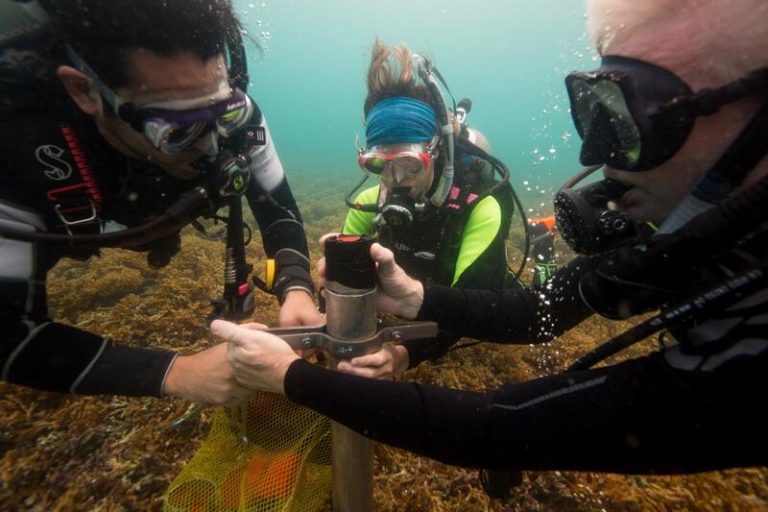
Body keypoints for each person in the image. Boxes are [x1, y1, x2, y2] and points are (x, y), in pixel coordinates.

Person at [219, 0, 768, 475]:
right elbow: (532, 317)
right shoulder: (677, 238)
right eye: (594, 109)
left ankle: (543, 248)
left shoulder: (482, 199)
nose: (595, 155)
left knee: (523, 282)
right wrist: (342, 296)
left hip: (483, 290)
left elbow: (501, 413)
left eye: (638, 110)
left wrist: (381, 358)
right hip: (445, 301)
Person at [0, 0, 321, 405]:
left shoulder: (239, 123)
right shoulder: (13, 151)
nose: (211, 145)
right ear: (84, 91)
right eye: (177, 131)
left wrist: (296, 289)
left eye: (225, 113)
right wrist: (175, 373)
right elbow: (8, 331)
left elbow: (280, 213)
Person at [340, 40, 520, 380]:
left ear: (436, 152)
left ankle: (541, 245)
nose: (395, 181)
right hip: (416, 289)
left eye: (409, 164)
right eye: (379, 164)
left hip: (468, 286)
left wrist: (404, 354)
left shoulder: (483, 205)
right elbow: (344, 278)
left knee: (516, 293)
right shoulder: (370, 201)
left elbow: (474, 308)